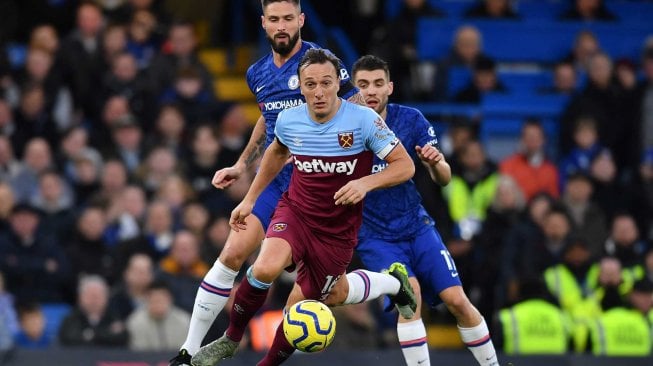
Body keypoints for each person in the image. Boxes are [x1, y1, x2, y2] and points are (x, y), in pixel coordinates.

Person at [191, 48, 416, 366]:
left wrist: (364, 183)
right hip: (295, 211)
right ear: (301, 86)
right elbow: (276, 153)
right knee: (263, 269)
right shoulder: (290, 119)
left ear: (339, 83)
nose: (319, 92)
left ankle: (394, 283)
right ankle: (230, 338)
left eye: (326, 83)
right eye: (311, 85)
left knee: (323, 298)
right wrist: (250, 198)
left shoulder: (365, 119)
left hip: (336, 230)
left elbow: (405, 166)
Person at [168, 1, 359, 364]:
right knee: (232, 253)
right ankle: (188, 352)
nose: (282, 26)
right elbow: (268, 118)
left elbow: (356, 107)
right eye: (275, 19)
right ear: (264, 23)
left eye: (289, 18)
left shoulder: (321, 64)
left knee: (327, 291)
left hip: (318, 186)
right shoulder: (257, 73)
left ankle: (392, 285)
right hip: (274, 183)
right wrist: (242, 165)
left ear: (301, 20)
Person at [350, 55, 499, 366]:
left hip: (417, 227)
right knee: (411, 298)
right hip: (376, 237)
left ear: (389, 87)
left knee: (457, 301)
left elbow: (444, 179)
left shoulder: (412, 120)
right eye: (363, 84)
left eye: (378, 83)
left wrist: (435, 163)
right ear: (354, 88)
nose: (371, 91)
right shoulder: (342, 130)